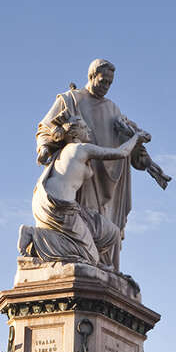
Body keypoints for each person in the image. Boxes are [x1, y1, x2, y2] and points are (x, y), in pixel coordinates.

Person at [35, 59, 170, 270]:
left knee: (104, 229)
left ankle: (102, 269)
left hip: (107, 178)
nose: (106, 86)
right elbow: (46, 127)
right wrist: (46, 145)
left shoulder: (113, 109)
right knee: (83, 226)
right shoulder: (71, 100)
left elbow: (131, 140)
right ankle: (85, 263)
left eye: (110, 82)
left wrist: (149, 163)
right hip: (81, 177)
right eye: (103, 80)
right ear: (91, 76)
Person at [20, 115, 149, 268]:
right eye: (84, 127)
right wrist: (136, 137)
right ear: (74, 134)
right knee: (90, 256)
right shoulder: (81, 148)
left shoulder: (62, 152)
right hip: (60, 207)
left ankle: (91, 261)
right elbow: (121, 153)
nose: (89, 130)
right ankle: (35, 237)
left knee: (111, 233)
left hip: (57, 203)